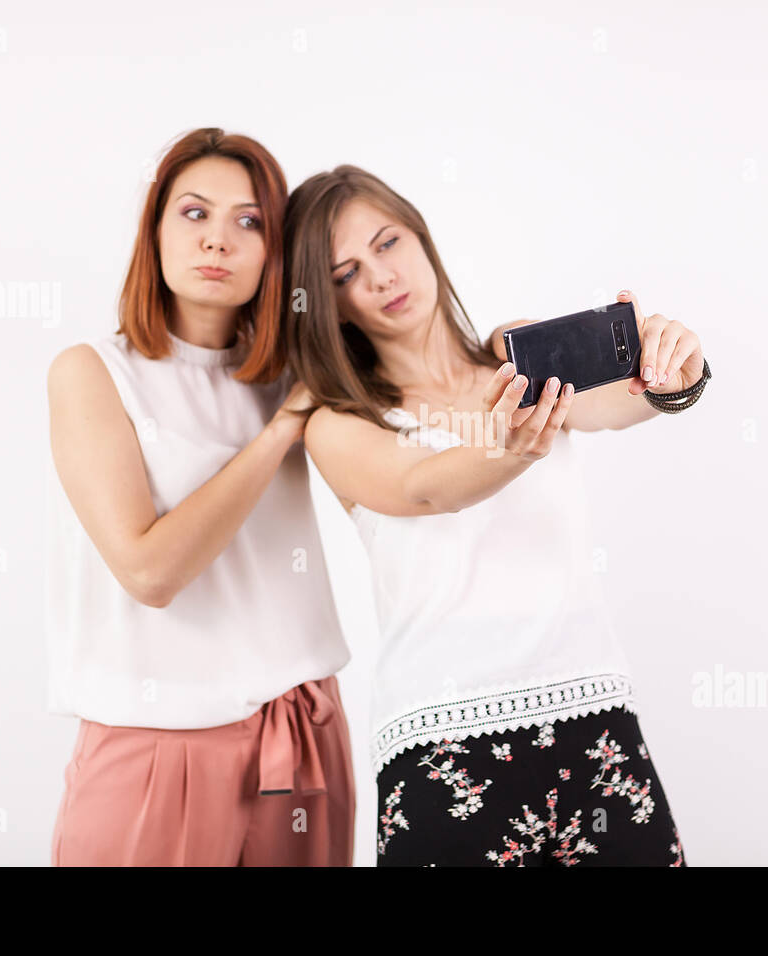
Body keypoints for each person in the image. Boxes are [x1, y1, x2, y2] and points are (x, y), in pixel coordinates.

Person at [282, 164, 708, 866]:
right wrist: (508, 447)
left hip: (590, 717)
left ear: (420, 237)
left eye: (387, 243)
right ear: (330, 302)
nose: (381, 277)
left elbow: (619, 402)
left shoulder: (519, 356)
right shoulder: (339, 423)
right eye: (344, 273)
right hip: (441, 746)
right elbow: (425, 487)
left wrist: (676, 376)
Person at [44, 129, 355, 866]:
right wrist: (281, 431)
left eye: (249, 222)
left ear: (274, 251)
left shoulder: (297, 372)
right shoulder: (93, 373)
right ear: (154, 229)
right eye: (194, 213)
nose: (218, 240)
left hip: (302, 728)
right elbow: (149, 572)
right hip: (155, 743)